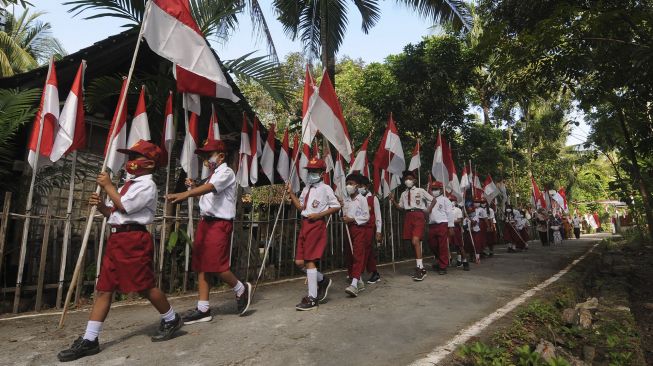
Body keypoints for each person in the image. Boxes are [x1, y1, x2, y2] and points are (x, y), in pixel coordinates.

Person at [58, 140, 182, 362]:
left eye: (135, 157)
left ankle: (171, 318)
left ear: (150, 164)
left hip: (134, 239)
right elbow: (115, 213)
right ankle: (90, 339)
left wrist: (107, 186)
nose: (130, 161)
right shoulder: (129, 183)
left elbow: (126, 206)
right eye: (130, 156)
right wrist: (102, 207)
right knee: (104, 289)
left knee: (145, 286)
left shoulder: (147, 185)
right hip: (118, 238)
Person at [165, 139, 252, 324]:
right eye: (204, 156)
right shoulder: (212, 175)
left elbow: (211, 189)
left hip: (219, 224)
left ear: (221, 156)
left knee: (217, 265)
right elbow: (209, 194)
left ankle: (240, 288)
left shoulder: (226, 172)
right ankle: (203, 308)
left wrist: (187, 193)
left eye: (208, 155)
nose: (206, 159)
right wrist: (194, 187)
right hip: (206, 223)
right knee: (202, 265)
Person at [287, 157, 341, 310]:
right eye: (309, 171)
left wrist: (320, 215)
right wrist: (291, 193)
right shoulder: (306, 188)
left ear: (322, 173)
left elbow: (336, 206)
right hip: (304, 224)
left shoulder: (326, 189)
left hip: (316, 225)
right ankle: (322, 280)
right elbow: (301, 207)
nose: (311, 173)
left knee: (310, 260)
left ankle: (312, 298)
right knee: (299, 262)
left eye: (314, 171)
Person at [390, 170, 433, 281]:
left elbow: (433, 200)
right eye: (406, 179)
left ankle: (419, 268)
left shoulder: (420, 190)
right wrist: (393, 201)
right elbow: (401, 207)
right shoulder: (404, 193)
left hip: (418, 215)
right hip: (408, 216)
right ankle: (422, 268)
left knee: (415, 241)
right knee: (412, 243)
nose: (408, 180)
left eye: (410, 178)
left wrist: (428, 209)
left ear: (414, 180)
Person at [342, 173, 370, 297]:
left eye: (351, 184)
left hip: (359, 229)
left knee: (358, 254)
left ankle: (354, 285)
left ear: (357, 186)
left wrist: (352, 219)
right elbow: (344, 215)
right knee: (349, 255)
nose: (348, 186)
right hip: (348, 230)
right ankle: (358, 281)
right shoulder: (346, 200)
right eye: (347, 184)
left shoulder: (362, 199)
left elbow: (366, 216)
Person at [425, 181, 455, 275]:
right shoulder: (429, 200)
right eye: (433, 189)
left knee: (442, 245)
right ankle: (440, 259)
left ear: (441, 190)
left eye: (436, 189)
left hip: (442, 224)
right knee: (432, 244)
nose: (434, 191)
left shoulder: (445, 200)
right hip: (432, 225)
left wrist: (450, 227)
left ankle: (442, 266)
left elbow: (449, 214)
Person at [359, 176, 382, 284]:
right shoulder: (358, 198)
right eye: (358, 186)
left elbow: (378, 216)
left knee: (366, 250)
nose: (360, 188)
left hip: (369, 228)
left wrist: (378, 231)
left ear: (367, 186)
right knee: (366, 252)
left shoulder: (373, 198)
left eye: (362, 186)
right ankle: (374, 273)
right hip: (359, 228)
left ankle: (358, 273)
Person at [448, 194, 469, 271]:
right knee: (448, 245)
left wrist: (451, 221)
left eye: (452, 201)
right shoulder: (446, 209)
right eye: (449, 201)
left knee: (460, 246)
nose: (451, 202)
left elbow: (460, 220)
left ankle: (465, 262)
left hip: (456, 229)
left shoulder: (458, 210)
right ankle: (452, 260)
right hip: (447, 228)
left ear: (455, 202)